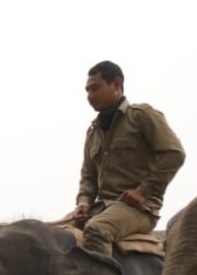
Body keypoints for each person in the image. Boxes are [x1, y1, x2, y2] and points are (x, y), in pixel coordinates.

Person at [69, 60, 186, 256]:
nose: (89, 96)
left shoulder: (141, 116)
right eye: (87, 90)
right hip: (101, 208)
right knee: (54, 235)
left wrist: (143, 190)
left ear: (116, 85)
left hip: (138, 209)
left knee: (97, 231)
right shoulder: (93, 132)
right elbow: (88, 177)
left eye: (95, 88)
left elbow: (174, 154)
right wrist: (84, 201)